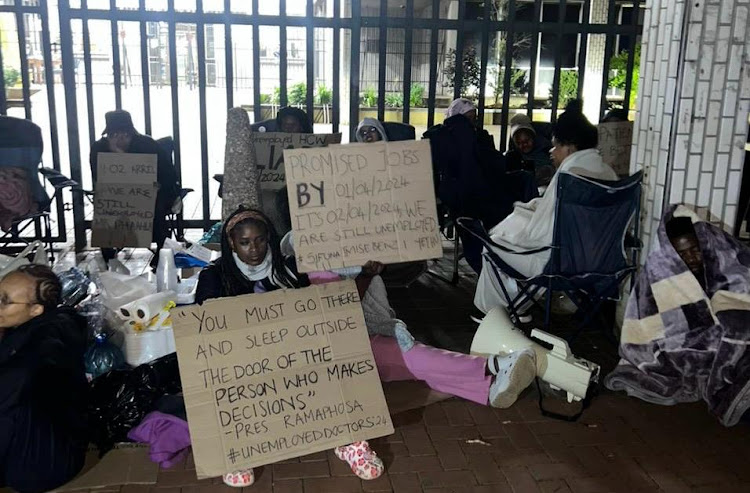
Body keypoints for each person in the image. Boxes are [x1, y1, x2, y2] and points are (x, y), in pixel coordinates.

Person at [197, 207, 538, 483]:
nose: (254, 249)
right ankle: (239, 448)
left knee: (405, 355)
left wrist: (363, 274)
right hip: (253, 368)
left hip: (319, 354)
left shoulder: (290, 270)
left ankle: (488, 375)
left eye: (259, 240)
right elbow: (206, 332)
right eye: (244, 243)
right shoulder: (215, 277)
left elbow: (334, 306)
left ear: (269, 238)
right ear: (231, 244)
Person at [605, 205, 750, 426]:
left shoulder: (716, 259)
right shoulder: (658, 273)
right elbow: (649, 328)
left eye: (695, 249)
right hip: (684, 345)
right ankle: (733, 398)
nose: (691, 258)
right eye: (682, 254)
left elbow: (738, 284)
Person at [474, 99, 618, 318]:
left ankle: (495, 312)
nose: (552, 151)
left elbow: (542, 233)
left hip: (559, 264)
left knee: (492, 244)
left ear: (569, 146)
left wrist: (522, 220)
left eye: (556, 145)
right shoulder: (608, 173)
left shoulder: (570, 177)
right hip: (601, 262)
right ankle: (516, 308)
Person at [0, 265, 88, 493]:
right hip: (55, 447)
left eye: (5, 301)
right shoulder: (48, 325)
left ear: (36, 310)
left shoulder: (43, 348)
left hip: (40, 467)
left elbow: (13, 384)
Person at [424, 98, 519, 272]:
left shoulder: (442, 136)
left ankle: (487, 263)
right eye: (468, 118)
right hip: (473, 195)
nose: (471, 122)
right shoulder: (450, 137)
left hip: (465, 196)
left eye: (473, 118)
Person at [89, 110, 179, 263]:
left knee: (156, 208)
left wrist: (158, 186)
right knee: (106, 207)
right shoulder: (100, 147)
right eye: (114, 135)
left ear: (132, 133)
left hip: (153, 194)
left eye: (124, 134)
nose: (120, 139)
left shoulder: (147, 144)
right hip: (117, 196)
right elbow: (98, 176)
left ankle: (161, 252)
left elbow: (169, 174)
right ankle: (109, 252)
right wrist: (117, 154)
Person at [505, 113, 555, 187]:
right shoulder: (512, 157)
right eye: (518, 143)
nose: (524, 145)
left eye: (526, 141)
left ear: (533, 137)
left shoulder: (548, 151)